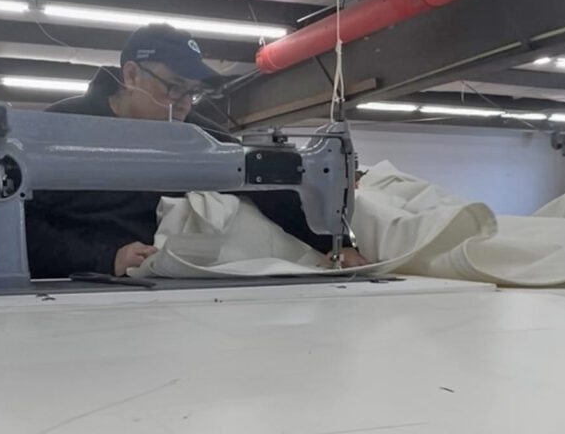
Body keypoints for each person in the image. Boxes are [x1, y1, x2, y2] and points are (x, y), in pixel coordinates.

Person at [25, 23, 365, 277]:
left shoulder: (196, 134)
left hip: (164, 290)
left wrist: (338, 246)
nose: (185, 105)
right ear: (131, 75)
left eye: (193, 93)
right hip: (72, 291)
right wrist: (101, 258)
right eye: (174, 89)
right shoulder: (57, 130)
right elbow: (20, 225)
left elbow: (267, 187)